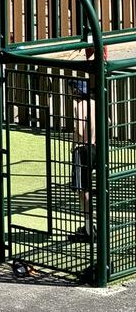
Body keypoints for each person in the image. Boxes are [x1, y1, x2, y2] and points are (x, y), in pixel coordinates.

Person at [68, 78, 96, 243]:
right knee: (92, 186)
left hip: (82, 149)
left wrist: (75, 142)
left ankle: (87, 228)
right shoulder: (94, 103)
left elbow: (79, 129)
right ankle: (92, 226)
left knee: (82, 188)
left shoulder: (80, 106)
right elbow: (107, 122)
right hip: (95, 147)